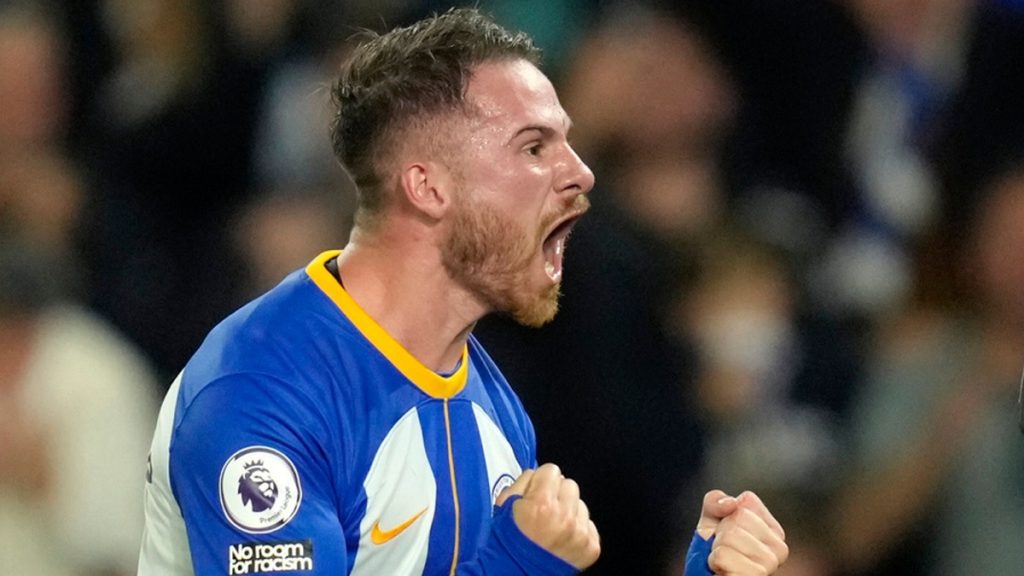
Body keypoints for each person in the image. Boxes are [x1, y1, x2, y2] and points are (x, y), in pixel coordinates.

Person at [137, 8, 787, 575]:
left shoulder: (495, 410)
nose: (580, 172)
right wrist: (519, 560)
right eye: (534, 148)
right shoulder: (262, 392)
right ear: (428, 188)